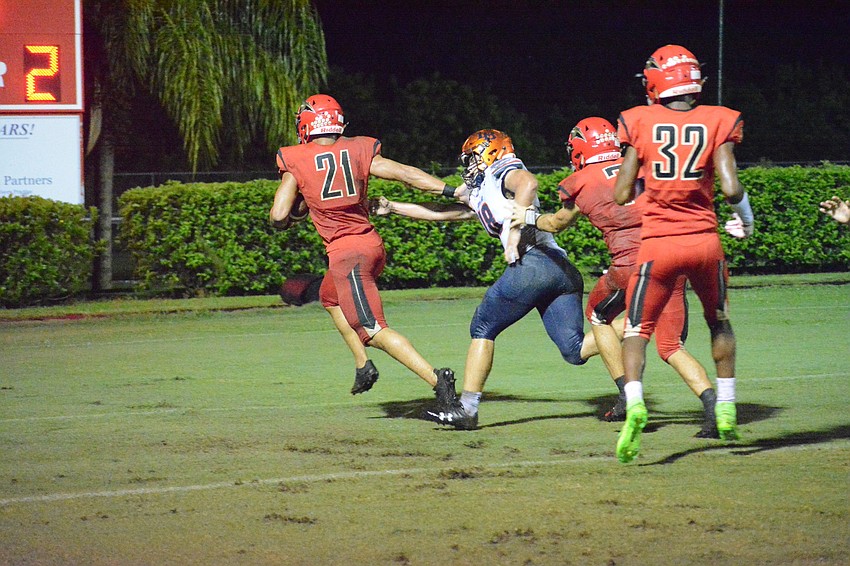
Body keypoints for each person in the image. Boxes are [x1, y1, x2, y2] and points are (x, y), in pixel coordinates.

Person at [373, 129, 599, 430]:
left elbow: (528, 184)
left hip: (532, 262)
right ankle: (633, 327)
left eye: (473, 158)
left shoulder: (504, 169)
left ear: (491, 152)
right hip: (562, 270)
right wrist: (394, 208)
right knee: (574, 349)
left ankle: (467, 408)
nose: (469, 165)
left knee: (483, 326)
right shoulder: (482, 190)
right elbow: (443, 213)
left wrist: (516, 230)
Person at [512, 117, 720, 437]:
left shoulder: (581, 180)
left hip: (630, 266)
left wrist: (528, 217)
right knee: (671, 346)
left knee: (597, 313)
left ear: (581, 149)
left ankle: (627, 395)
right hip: (673, 259)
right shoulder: (644, 165)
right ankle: (714, 407)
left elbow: (556, 224)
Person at [612, 45, 755, 463]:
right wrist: (745, 220)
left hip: (659, 245)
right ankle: (726, 404)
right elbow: (731, 188)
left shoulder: (638, 121)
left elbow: (621, 194)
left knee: (637, 331)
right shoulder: (718, 119)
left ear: (655, 81)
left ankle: (635, 402)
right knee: (719, 321)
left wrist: (644, 167)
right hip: (705, 243)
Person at [270, 94, 458, 406]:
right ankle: (363, 365)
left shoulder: (295, 158)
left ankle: (438, 382)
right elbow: (404, 173)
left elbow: (278, 215)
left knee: (372, 329)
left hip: (348, 256)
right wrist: (451, 190)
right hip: (368, 244)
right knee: (330, 297)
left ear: (305, 125)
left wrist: (290, 214)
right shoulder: (358, 148)